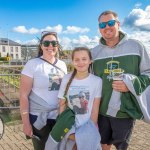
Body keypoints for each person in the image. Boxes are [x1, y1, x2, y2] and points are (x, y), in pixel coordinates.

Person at [91, 10, 150, 150]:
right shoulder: (94, 52)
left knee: (121, 146)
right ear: (99, 28)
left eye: (110, 23)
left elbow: (148, 73)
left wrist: (130, 85)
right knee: (103, 144)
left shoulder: (136, 46)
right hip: (101, 110)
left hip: (125, 111)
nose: (107, 27)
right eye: (102, 24)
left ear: (118, 24)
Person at [45, 47, 102, 150]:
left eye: (84, 59)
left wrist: (90, 130)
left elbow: (95, 108)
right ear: (72, 62)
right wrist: (65, 127)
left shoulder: (97, 81)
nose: (81, 62)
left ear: (90, 61)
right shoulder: (67, 78)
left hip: (87, 127)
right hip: (70, 126)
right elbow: (62, 103)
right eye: (77, 59)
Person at [19, 31, 67, 150]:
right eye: (46, 43)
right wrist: (26, 123)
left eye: (53, 43)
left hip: (58, 117)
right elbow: (23, 95)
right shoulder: (32, 64)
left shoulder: (62, 65)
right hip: (39, 118)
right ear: (41, 46)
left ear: (57, 45)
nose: (50, 46)